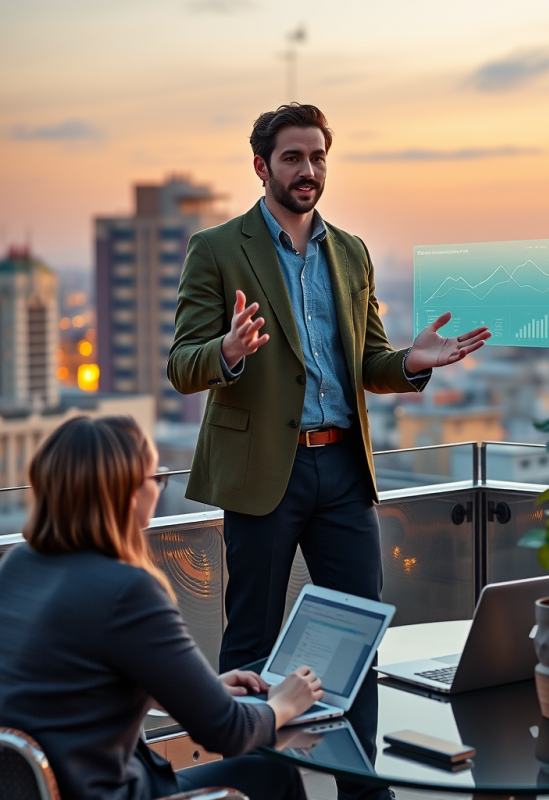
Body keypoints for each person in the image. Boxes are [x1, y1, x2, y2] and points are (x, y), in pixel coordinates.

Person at [167, 103, 491, 672]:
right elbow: (182, 365)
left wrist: (411, 362)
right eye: (292, 158)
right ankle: (256, 762)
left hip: (343, 469)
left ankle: (353, 763)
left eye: (318, 157)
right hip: (264, 469)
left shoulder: (350, 251)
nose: (308, 170)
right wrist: (228, 350)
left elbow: (368, 362)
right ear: (261, 168)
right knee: (252, 640)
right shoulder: (217, 248)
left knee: (359, 634)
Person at [0, 416, 322, 800]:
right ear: (127, 493)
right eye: (157, 478)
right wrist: (286, 703)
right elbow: (229, 733)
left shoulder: (19, 564)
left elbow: (64, 684)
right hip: (105, 791)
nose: (159, 489)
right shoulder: (128, 589)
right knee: (272, 772)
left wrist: (202, 692)